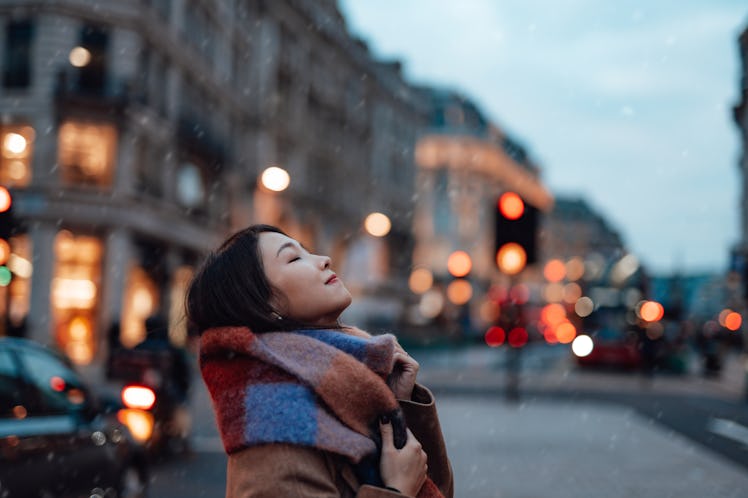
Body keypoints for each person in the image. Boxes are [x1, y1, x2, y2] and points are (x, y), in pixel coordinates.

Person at [186, 224, 453, 498]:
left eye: (308, 251)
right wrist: (398, 490)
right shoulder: (275, 426)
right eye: (293, 258)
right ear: (263, 305)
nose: (323, 259)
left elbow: (437, 488)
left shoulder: (347, 387)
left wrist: (399, 403)